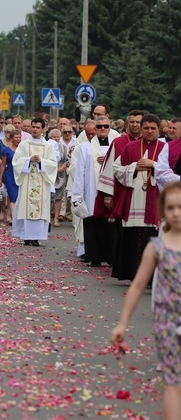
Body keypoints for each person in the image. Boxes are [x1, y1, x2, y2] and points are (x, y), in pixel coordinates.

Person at [111, 182, 181, 419]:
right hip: (169, 322)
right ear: (162, 211)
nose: (176, 213)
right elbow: (138, 285)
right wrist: (122, 322)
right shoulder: (157, 247)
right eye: (170, 207)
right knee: (173, 382)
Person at [111, 114, 165, 281]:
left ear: (158, 130)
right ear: (141, 129)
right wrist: (134, 167)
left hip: (156, 199)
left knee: (154, 237)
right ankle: (132, 273)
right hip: (135, 199)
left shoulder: (165, 148)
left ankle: (151, 279)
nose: (149, 131)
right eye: (146, 128)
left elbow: (172, 173)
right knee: (133, 238)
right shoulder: (131, 147)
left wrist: (153, 165)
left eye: (153, 128)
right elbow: (117, 169)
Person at [69, 116, 118, 266]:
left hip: (111, 190)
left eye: (105, 126)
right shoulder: (86, 147)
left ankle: (110, 257)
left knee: (110, 225)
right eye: (99, 126)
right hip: (92, 192)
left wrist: (110, 161)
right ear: (95, 129)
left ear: (109, 128)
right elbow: (80, 172)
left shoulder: (116, 146)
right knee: (93, 223)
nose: (102, 129)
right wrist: (78, 194)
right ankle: (95, 256)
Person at [11, 117, 57, 246]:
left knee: (40, 208)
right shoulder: (24, 144)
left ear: (43, 129)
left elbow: (53, 164)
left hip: (42, 181)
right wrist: (28, 160)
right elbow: (16, 162)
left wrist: (42, 161)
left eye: (38, 127)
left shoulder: (48, 146)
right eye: (33, 127)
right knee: (26, 207)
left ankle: (36, 237)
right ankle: (26, 236)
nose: (35, 129)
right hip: (27, 181)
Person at [0, 129, 22, 226]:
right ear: (11, 139)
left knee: (19, 196)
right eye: (16, 137)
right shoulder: (6, 150)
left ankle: (11, 216)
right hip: (10, 175)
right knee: (13, 197)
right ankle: (14, 218)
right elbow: (3, 165)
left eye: (19, 137)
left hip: (20, 175)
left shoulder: (23, 149)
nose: (18, 139)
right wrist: (0, 179)